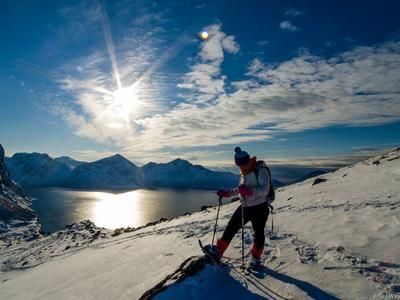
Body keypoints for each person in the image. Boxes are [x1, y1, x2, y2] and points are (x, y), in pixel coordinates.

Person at [213, 147, 271, 265]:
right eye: (239, 165)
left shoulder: (261, 170)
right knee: (231, 227)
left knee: (258, 232)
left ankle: (256, 257)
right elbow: (240, 189)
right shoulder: (245, 172)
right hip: (245, 206)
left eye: (242, 164)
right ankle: (219, 251)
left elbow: (265, 190)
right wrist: (227, 193)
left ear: (248, 161)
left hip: (260, 207)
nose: (240, 167)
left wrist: (249, 191)